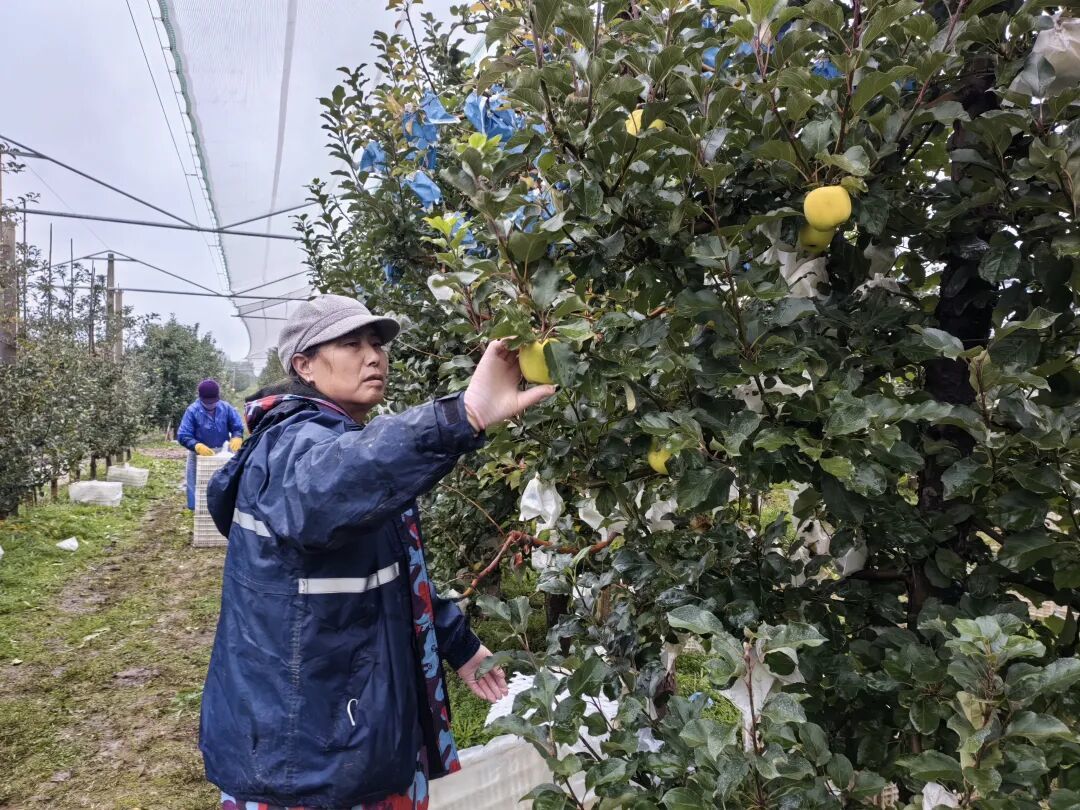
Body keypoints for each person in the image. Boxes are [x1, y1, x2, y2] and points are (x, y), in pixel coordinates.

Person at [200, 294, 556, 809]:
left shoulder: (342, 442)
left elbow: (391, 572)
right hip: (311, 753)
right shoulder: (290, 447)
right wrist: (463, 415)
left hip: (351, 728)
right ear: (304, 365)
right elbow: (326, 484)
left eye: (377, 344)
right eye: (351, 344)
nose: (373, 356)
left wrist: (457, 644)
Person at [177, 379, 244, 510]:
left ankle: (223, 508)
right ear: (200, 398)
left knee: (223, 481)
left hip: (222, 453)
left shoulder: (226, 408)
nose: (211, 405)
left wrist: (237, 436)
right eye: (207, 403)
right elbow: (183, 434)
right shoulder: (192, 411)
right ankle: (197, 509)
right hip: (199, 453)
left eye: (213, 402)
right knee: (195, 482)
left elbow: (237, 426)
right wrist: (196, 445)